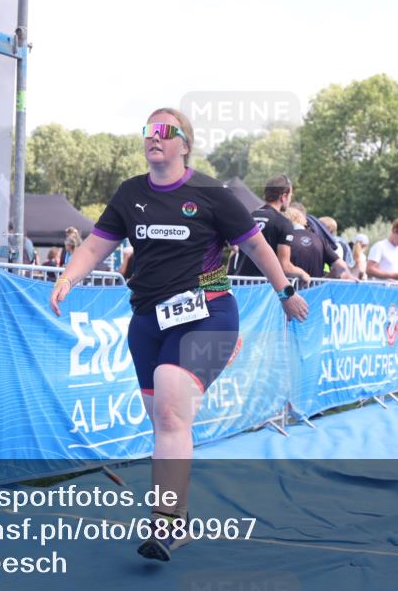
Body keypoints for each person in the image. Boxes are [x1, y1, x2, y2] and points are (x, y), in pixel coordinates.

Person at [49, 108, 308, 562]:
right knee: (165, 423)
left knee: (170, 412)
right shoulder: (131, 193)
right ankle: (179, 516)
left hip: (208, 312)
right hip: (148, 322)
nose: (154, 137)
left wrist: (284, 291)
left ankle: (165, 522)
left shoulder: (210, 193)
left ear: (184, 144)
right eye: (148, 130)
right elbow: (95, 245)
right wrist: (68, 278)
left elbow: (255, 245)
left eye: (165, 131)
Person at [231, 174, 311, 283]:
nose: (290, 199)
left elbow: (234, 249)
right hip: (262, 289)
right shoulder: (283, 223)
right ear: (283, 196)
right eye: (290, 195)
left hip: (241, 285)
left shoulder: (249, 216)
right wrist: (303, 274)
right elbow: (285, 266)